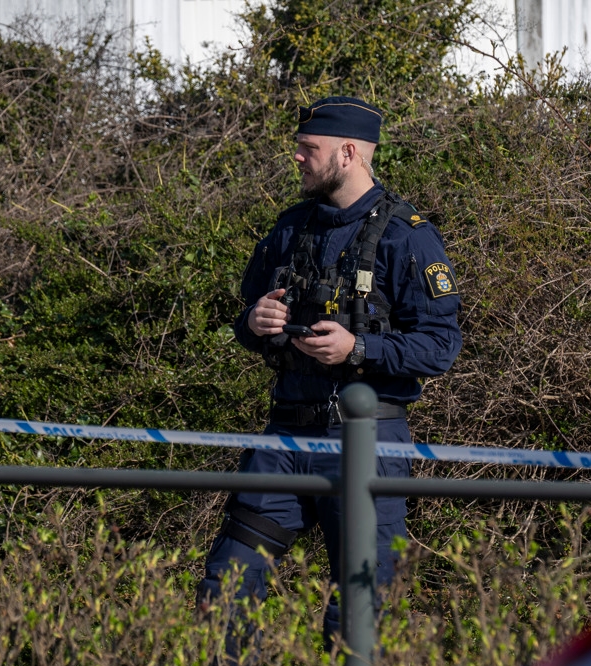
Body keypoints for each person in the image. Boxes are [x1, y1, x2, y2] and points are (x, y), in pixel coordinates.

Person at [198, 96, 462, 637]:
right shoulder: (288, 229)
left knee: (362, 614)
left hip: (367, 443)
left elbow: (440, 346)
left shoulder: (406, 237)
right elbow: (243, 323)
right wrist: (255, 322)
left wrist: (357, 350)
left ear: (348, 152)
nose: (297, 158)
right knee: (225, 590)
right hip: (286, 440)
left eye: (307, 149)